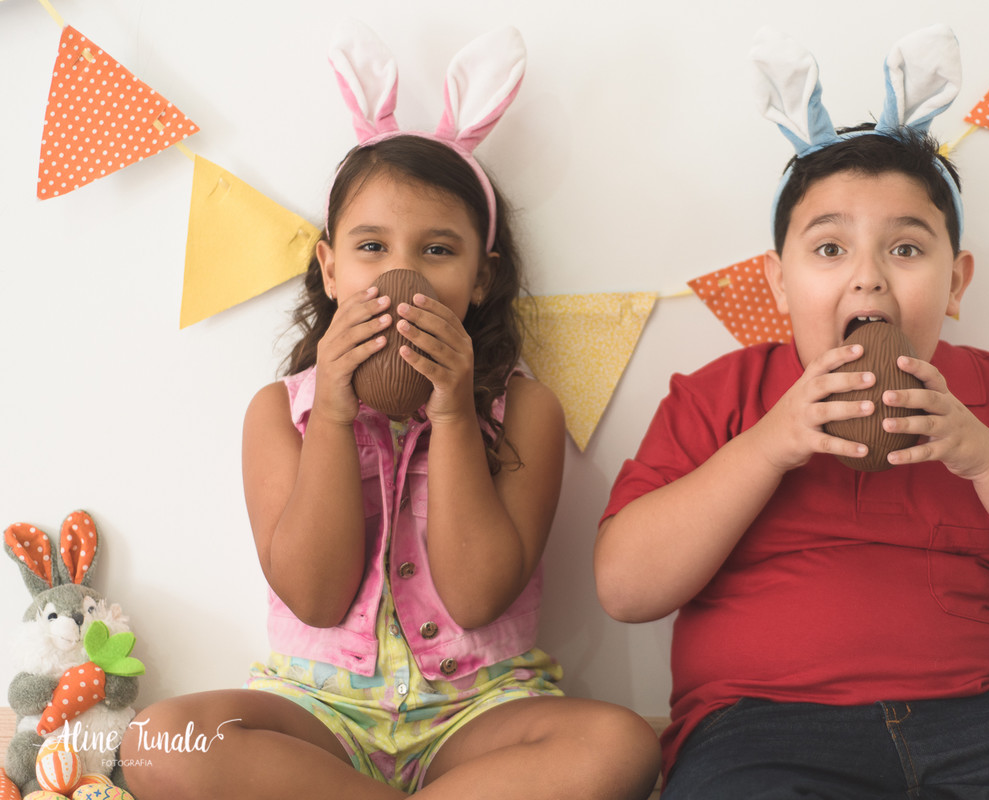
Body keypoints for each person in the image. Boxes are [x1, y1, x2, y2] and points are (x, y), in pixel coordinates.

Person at [595, 25, 989, 799]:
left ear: (956, 284)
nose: (869, 279)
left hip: (986, 725)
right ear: (779, 286)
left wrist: (985, 456)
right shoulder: (721, 397)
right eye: (829, 250)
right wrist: (770, 445)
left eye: (907, 250)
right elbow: (624, 589)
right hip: (767, 731)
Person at [123, 25, 660, 800]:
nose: (401, 272)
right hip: (318, 711)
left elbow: (477, 596)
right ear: (330, 266)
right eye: (372, 246)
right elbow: (314, 595)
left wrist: (451, 414)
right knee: (160, 740)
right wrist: (335, 416)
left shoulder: (526, 408)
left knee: (619, 745)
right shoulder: (282, 412)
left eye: (439, 250)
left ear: (482, 278)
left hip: (479, 714)